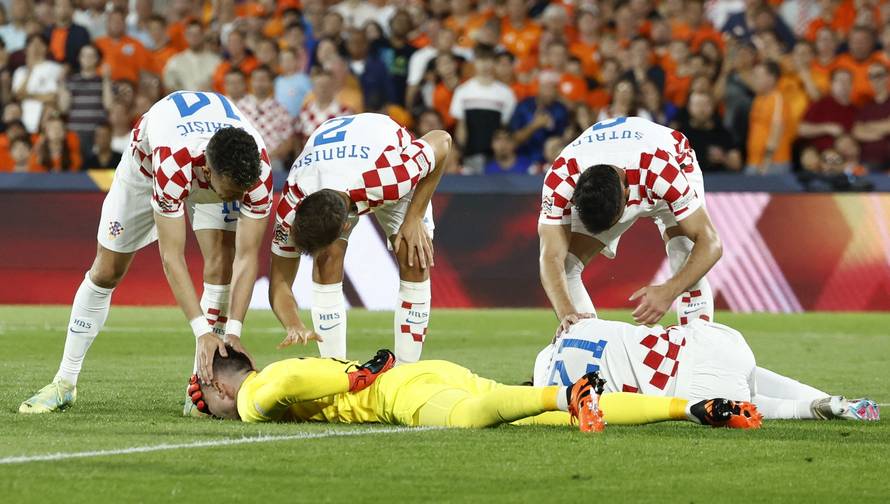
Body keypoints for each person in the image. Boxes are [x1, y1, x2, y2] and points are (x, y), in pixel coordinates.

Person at [18, 91, 274, 415]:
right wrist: (202, 333)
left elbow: (247, 257)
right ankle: (64, 383)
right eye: (233, 194)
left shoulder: (257, 170)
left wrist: (233, 332)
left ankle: (199, 387)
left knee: (222, 262)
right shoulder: (173, 161)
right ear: (209, 174)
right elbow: (172, 257)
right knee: (107, 270)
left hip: (206, 158)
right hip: (146, 169)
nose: (239, 199)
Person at [188, 347, 760, 431]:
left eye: (202, 394)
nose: (207, 407)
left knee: (466, 422)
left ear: (219, 378)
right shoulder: (277, 370)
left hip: (396, 395)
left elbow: (282, 383)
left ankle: (565, 393)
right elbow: (290, 376)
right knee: (534, 421)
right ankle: (692, 407)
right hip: (429, 371)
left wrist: (354, 378)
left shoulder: (253, 393)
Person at [269, 113, 451, 365]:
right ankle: (334, 371)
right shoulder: (291, 203)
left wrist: (415, 217)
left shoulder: (391, 178)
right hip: (335, 155)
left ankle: (405, 372)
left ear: (345, 226)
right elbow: (279, 284)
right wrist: (293, 324)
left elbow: (441, 140)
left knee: (414, 254)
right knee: (326, 259)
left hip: (380, 150)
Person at [538, 116, 721, 336]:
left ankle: (698, 351)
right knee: (567, 265)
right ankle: (585, 344)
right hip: (617, 164)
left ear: (627, 195)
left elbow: (711, 243)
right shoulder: (561, 178)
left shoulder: (658, 168)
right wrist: (566, 311)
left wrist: (669, 291)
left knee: (685, 251)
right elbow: (550, 257)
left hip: (673, 161)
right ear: (575, 199)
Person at [533, 317, 879, 422]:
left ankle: (821, 408)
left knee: (759, 403)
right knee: (754, 376)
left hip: (691, 386)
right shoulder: (572, 330)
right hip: (710, 339)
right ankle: (832, 401)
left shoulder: (566, 399)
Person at [450, 45, 516, 173]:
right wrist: (462, 153)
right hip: (470, 155)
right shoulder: (462, 91)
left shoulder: (506, 93)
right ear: (474, 62)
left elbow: (504, 128)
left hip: (496, 159)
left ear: (494, 63)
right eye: (481, 60)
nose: (485, 65)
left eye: (488, 60)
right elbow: (461, 127)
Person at [58, 44, 112, 163]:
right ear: (79, 58)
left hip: (96, 135)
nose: (87, 58)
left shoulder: (102, 81)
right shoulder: (70, 81)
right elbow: (63, 108)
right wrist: (61, 83)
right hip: (74, 133)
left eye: (91, 55)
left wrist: (107, 79)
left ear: (98, 59)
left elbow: (109, 106)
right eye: (84, 55)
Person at [237, 65, 295, 170]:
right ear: (251, 82)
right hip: (244, 159)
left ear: (271, 83)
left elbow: (288, 142)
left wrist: (268, 157)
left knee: (276, 166)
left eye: (263, 80)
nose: (259, 84)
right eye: (256, 80)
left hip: (273, 160)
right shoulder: (240, 107)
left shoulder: (281, 110)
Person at [509, 71, 569, 163]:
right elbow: (514, 140)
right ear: (539, 87)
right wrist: (535, 125)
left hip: (552, 162)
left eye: (552, 88)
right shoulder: (524, 106)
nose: (549, 92)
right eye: (546, 87)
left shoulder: (561, 110)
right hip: (523, 160)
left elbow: (565, 140)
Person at [678, 90, 742, 172]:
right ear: (689, 107)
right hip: (691, 181)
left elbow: (737, 165)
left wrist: (723, 158)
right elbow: (673, 166)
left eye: (705, 105)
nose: (701, 109)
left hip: (719, 180)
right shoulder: (680, 135)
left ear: (713, 107)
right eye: (697, 105)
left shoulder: (723, 132)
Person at [11, 34, 62, 133]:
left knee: (51, 109)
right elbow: (17, 95)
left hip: (46, 113)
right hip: (24, 112)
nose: (36, 48)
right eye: (32, 44)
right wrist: (31, 70)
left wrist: (28, 95)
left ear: (47, 48)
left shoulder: (54, 68)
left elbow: (52, 97)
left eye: (40, 44)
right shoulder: (20, 71)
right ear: (26, 49)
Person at [798, 69, 857, 151]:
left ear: (852, 85)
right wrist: (826, 128)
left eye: (847, 81)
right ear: (832, 84)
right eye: (839, 81)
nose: (844, 84)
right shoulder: (820, 104)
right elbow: (801, 130)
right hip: (819, 156)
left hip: (845, 158)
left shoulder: (856, 110)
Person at [163, 20, 221, 92]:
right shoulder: (175, 62)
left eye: (197, 34)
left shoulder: (216, 61)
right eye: (190, 34)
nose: (194, 37)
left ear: (203, 35)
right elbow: (169, 87)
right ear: (185, 36)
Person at [852, 64, 890, 172]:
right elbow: (857, 132)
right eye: (871, 76)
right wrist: (882, 129)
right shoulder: (865, 106)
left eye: (879, 75)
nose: (875, 80)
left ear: (887, 77)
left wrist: (868, 126)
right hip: (870, 161)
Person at [43, 0, 91, 72]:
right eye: (59, 6)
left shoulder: (81, 32)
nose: (62, 9)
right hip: (49, 71)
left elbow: (85, 55)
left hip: (75, 73)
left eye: (66, 6)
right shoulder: (47, 31)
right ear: (54, 9)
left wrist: (70, 67)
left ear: (73, 10)